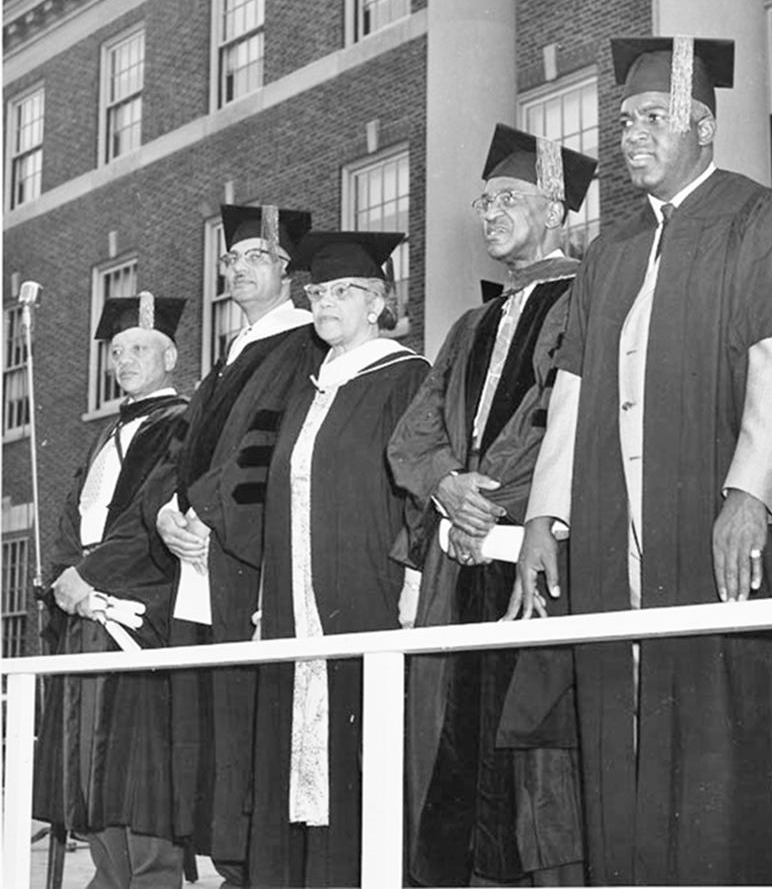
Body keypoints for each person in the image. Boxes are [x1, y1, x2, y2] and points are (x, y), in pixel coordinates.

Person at [511, 35, 772, 884]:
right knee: (623, 718)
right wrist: (548, 515)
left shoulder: (764, 218)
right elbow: (573, 391)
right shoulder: (612, 251)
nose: (631, 136)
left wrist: (751, 494)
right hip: (617, 526)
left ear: (703, 126)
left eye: (653, 117)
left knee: (719, 724)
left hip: (714, 516)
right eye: (624, 122)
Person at [387, 124, 595, 886]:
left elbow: (562, 420)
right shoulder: (470, 324)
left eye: (510, 196)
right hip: (461, 558)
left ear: (559, 211)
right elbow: (412, 435)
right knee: (452, 739)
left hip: (535, 553)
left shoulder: (587, 297)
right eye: (484, 200)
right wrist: (446, 483)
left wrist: (485, 495)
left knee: (531, 756)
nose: (490, 211)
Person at [246, 231, 428, 887]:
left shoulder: (407, 378)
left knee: (361, 752)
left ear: (378, 302)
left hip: (367, 593)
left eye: (343, 291)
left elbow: (420, 494)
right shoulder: (307, 390)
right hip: (296, 603)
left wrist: (412, 587)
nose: (325, 302)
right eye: (318, 292)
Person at [150, 203, 323, 887]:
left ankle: (256, 865)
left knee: (250, 714)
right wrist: (168, 509)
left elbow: (269, 456)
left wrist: (204, 514)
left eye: (256, 255)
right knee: (213, 714)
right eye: (231, 258)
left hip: (246, 562)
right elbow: (180, 452)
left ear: (287, 268)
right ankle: (229, 862)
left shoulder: (304, 341)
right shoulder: (230, 352)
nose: (239, 268)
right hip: (201, 554)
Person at [33, 293, 190, 889]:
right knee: (89, 775)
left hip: (135, 612)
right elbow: (71, 520)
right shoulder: (104, 436)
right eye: (118, 351)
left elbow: (150, 516)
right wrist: (66, 579)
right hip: (82, 616)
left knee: (135, 773)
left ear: (169, 355)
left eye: (139, 349)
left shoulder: (182, 423)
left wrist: (88, 581)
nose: (124, 360)